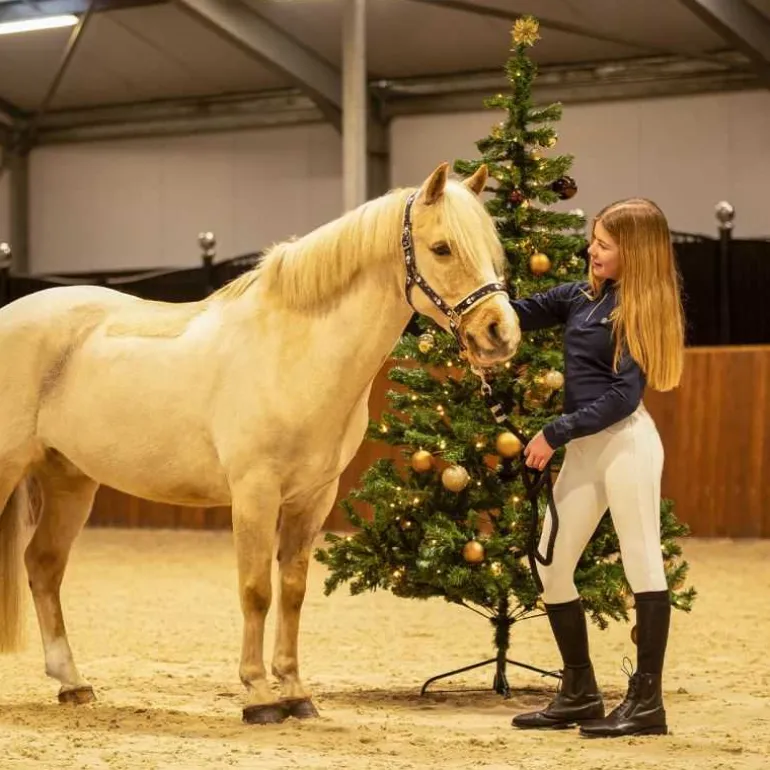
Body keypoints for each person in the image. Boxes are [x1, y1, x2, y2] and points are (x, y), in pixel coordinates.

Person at [508, 198, 685, 738]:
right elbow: (519, 311)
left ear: (634, 252)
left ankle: (648, 702)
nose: (592, 249)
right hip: (586, 450)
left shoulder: (640, 307)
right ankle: (580, 690)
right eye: (595, 239)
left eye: (604, 244)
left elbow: (621, 397)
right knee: (552, 565)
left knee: (642, 563)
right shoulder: (582, 297)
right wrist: (472, 307)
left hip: (625, 446)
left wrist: (552, 433)